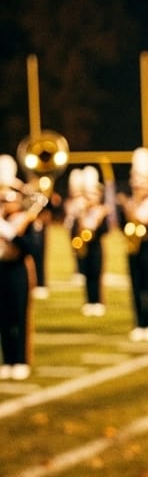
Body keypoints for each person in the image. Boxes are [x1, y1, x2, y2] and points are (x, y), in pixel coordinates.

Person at [0, 154, 46, 381]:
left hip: (17, 270)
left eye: (8, 199)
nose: (5, 203)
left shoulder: (25, 220)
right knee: (3, 318)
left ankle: (20, 359)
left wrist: (9, 232)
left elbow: (31, 248)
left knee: (19, 315)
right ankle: (7, 359)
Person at [118, 147, 148, 342]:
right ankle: (138, 324)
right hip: (132, 250)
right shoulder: (127, 203)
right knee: (135, 287)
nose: (139, 187)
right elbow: (121, 225)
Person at [63, 165, 113, 316]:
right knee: (86, 275)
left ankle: (98, 301)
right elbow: (72, 230)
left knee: (96, 274)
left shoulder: (101, 211)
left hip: (96, 247)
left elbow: (106, 230)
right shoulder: (80, 210)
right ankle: (89, 301)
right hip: (84, 246)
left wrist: (97, 221)